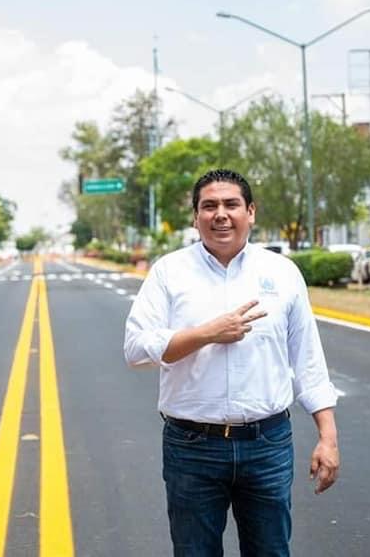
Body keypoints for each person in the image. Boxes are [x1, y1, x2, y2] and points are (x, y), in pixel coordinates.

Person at [124, 168, 339, 556]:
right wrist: (206, 333)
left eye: (231, 204)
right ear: (195, 217)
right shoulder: (169, 273)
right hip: (192, 447)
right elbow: (136, 349)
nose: (220, 214)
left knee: (271, 551)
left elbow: (308, 359)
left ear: (251, 212)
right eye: (209, 206)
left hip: (267, 445)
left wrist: (328, 436)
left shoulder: (282, 273)